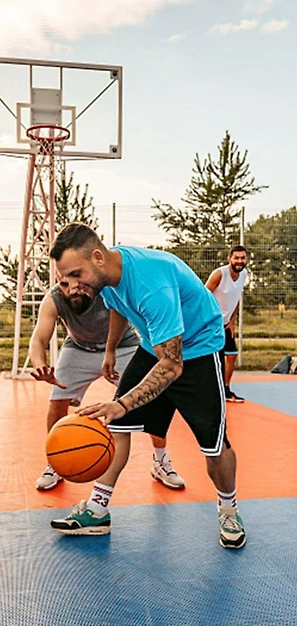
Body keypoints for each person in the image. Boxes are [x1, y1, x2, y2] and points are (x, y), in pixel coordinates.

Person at [46, 222, 245, 550]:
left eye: (76, 276)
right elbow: (119, 308)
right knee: (116, 426)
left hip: (198, 348)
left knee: (214, 444)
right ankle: (97, 510)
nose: (72, 286)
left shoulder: (151, 283)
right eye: (65, 280)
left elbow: (173, 364)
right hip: (156, 345)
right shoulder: (106, 275)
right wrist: (110, 349)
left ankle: (228, 509)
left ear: (97, 257)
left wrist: (121, 402)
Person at [29, 282, 185, 490]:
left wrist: (110, 351)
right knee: (57, 401)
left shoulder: (102, 289)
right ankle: (55, 462)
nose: (71, 289)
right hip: (78, 349)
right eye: (64, 283)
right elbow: (38, 338)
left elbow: (120, 315)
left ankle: (160, 460)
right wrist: (39, 365)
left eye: (74, 280)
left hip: (122, 346)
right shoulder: (54, 299)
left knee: (153, 400)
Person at [205, 245, 249, 403]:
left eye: (242, 258)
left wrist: (231, 321)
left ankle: (226, 389)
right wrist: (209, 320)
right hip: (211, 323)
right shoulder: (219, 274)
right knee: (211, 358)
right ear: (229, 258)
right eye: (236, 258)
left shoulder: (243, 274)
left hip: (225, 323)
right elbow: (204, 296)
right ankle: (208, 392)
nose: (239, 261)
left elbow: (236, 298)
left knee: (231, 355)